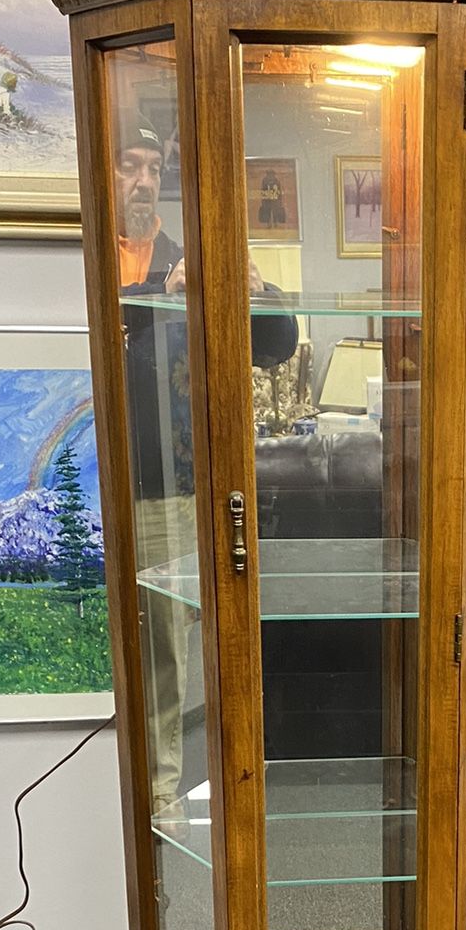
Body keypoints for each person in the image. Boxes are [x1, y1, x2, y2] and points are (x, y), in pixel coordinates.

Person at [114, 112, 300, 810]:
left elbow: (276, 342)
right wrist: (155, 302)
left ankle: (156, 804)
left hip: (168, 488)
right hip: (92, 486)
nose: (141, 181)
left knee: (165, 659)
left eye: (152, 168)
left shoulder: (183, 256)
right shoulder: (80, 259)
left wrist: (250, 287)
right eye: (127, 165)